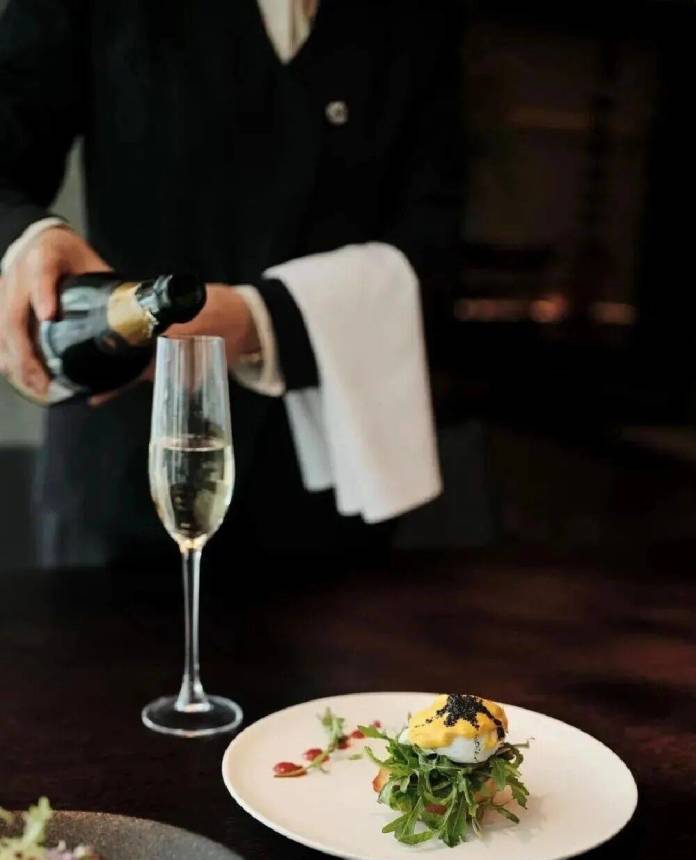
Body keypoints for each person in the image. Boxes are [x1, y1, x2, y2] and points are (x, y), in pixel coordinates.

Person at [0, 0, 462, 569]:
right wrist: (28, 240)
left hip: (333, 486)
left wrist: (256, 320)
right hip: (122, 474)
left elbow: (434, 244)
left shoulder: (422, 16)